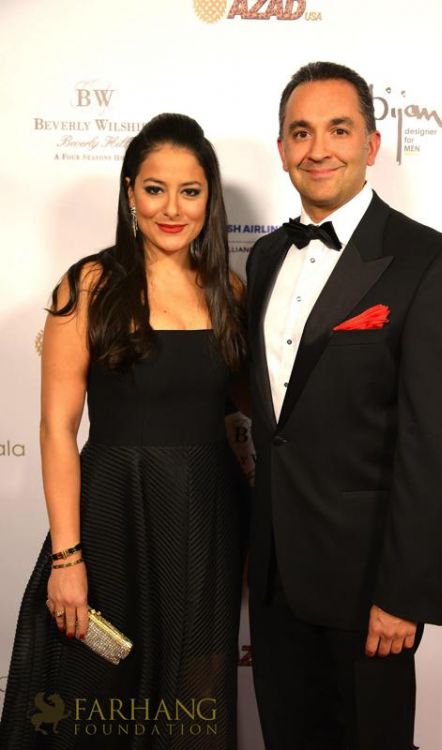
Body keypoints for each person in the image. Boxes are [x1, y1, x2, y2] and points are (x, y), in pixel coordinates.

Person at [245, 62, 442, 750]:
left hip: (368, 588)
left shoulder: (431, 263)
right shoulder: (263, 258)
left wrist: (406, 593)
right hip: (275, 581)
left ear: (372, 145)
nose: (318, 148)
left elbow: (435, 449)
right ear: (282, 148)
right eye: (301, 132)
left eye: (338, 129)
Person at [0, 113, 248, 749]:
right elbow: (57, 428)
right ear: (130, 191)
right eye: (154, 189)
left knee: (194, 702)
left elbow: (255, 412)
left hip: (208, 521)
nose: (172, 208)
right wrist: (67, 557)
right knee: (98, 701)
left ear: (209, 199)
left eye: (190, 191)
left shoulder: (228, 291)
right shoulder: (90, 285)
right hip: (114, 517)